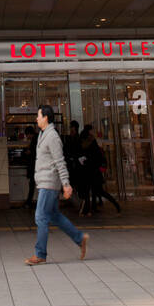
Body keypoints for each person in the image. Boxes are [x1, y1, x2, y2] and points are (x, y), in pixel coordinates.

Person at [25, 105, 88, 266]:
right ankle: (80, 238)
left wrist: (66, 184)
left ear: (46, 117)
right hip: (44, 182)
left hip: (49, 182)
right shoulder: (43, 134)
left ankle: (40, 254)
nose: (36, 118)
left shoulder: (52, 136)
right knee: (54, 216)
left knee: (40, 217)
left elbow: (60, 162)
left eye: (38, 115)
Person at [81, 125, 121, 214]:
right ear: (90, 131)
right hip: (94, 170)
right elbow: (97, 155)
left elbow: (89, 155)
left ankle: (89, 209)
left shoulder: (84, 141)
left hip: (88, 170)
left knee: (91, 191)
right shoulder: (92, 141)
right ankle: (114, 204)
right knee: (98, 191)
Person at [23, 125, 37, 209]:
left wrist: (28, 152)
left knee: (32, 185)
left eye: (26, 134)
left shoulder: (35, 140)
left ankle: (29, 202)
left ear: (29, 133)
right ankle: (29, 202)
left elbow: (32, 152)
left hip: (35, 167)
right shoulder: (37, 139)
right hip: (37, 167)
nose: (26, 136)